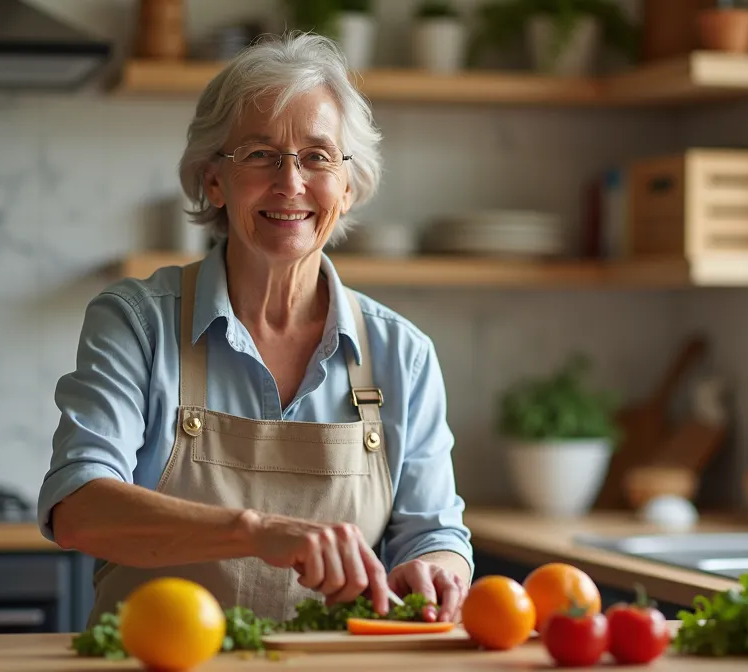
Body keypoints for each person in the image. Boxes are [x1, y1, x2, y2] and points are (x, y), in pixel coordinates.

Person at [37, 32, 473, 626]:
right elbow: (78, 509)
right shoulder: (138, 322)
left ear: (347, 187)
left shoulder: (403, 354)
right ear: (214, 180)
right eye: (261, 154)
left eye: (317, 157)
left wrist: (435, 569)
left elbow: (434, 533)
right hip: (161, 661)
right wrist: (256, 531)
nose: (290, 183)